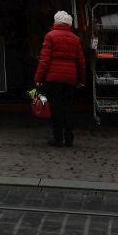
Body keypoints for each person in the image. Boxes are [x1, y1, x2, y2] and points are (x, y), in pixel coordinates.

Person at [34, 10, 86, 148]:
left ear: (56, 21)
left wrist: (39, 77)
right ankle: (69, 138)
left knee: (56, 109)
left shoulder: (50, 36)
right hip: (70, 79)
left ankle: (58, 138)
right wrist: (82, 80)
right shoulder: (75, 39)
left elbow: (44, 59)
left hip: (53, 79)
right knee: (68, 108)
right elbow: (81, 62)